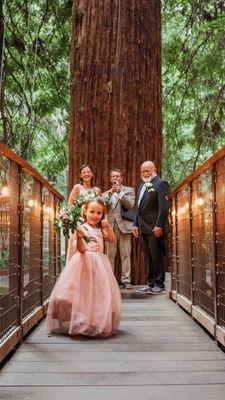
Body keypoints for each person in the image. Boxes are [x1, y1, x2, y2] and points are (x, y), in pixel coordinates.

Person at [46, 198, 122, 337]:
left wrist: (107, 227)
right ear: (85, 211)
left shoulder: (100, 228)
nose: (95, 215)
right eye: (92, 212)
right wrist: (80, 237)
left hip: (99, 263)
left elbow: (111, 239)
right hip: (83, 262)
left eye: (99, 213)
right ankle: (78, 320)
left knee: (98, 293)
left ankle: (94, 321)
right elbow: (80, 249)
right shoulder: (81, 227)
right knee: (81, 292)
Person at [133, 161, 170, 294]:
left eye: (147, 170)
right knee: (148, 257)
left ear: (154, 169)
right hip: (143, 227)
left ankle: (159, 285)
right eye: (143, 171)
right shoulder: (142, 185)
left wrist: (159, 225)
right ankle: (150, 283)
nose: (145, 173)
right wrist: (135, 224)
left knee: (156, 256)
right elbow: (138, 208)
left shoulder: (161, 184)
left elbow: (164, 207)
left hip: (155, 227)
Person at [104, 169, 135, 289]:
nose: (115, 178)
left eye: (117, 176)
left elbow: (130, 204)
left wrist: (120, 192)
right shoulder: (106, 193)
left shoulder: (129, 190)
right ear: (111, 179)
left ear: (121, 178)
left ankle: (126, 280)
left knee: (125, 254)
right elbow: (102, 206)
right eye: (113, 176)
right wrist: (110, 194)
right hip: (110, 228)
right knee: (109, 255)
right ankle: (110, 280)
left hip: (124, 227)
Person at [66, 163, 101, 262]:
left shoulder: (97, 190)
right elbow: (69, 205)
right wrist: (77, 213)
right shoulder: (77, 188)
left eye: (88, 172)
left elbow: (101, 206)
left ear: (92, 174)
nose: (86, 174)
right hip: (79, 221)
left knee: (90, 246)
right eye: (84, 172)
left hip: (92, 223)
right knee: (77, 245)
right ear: (81, 175)